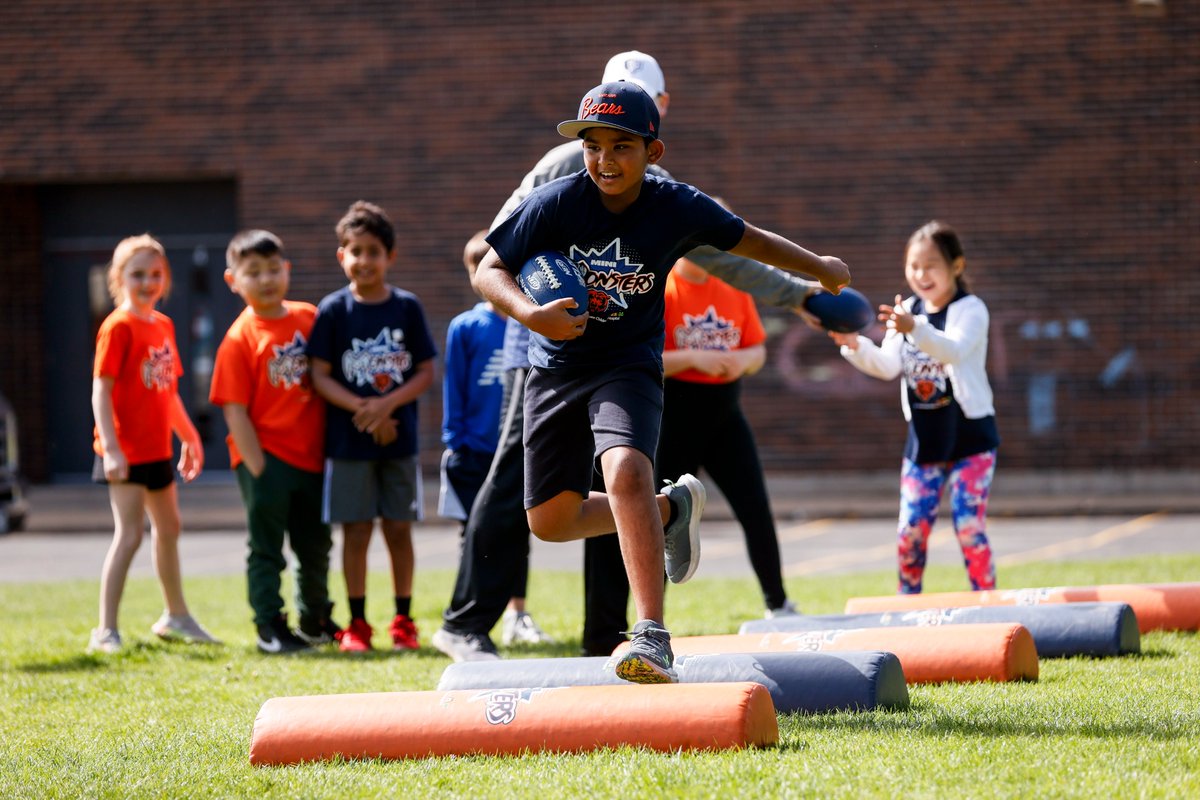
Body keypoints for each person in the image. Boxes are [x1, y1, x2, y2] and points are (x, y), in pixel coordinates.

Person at [432, 51, 826, 664]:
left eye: (621, 146)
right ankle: (672, 508)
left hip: (628, 365)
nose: (605, 159)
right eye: (594, 145)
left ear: (652, 151)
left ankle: (650, 634)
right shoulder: (557, 199)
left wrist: (818, 272)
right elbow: (489, 265)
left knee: (624, 471)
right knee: (550, 521)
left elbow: (746, 239)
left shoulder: (674, 204)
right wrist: (530, 314)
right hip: (555, 368)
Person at [829, 220, 998, 595]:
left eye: (931, 265)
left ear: (957, 266)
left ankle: (989, 602)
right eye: (913, 266)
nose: (921, 274)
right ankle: (909, 605)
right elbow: (889, 366)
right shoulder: (907, 311)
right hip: (925, 442)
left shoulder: (971, 309)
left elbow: (952, 349)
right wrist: (855, 346)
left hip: (972, 439)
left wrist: (914, 327)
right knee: (910, 533)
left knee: (969, 527)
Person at [306, 201, 437, 652]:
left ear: (390, 256)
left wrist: (387, 407)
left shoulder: (406, 307)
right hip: (348, 444)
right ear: (341, 255)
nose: (364, 260)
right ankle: (357, 624)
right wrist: (364, 408)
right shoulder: (333, 311)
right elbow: (319, 374)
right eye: (354, 251)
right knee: (356, 531)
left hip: (397, 441)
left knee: (398, 529)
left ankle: (403, 620)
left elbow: (424, 371)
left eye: (373, 251)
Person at [209, 229, 340, 655]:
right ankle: (270, 625)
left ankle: (315, 618)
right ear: (234, 280)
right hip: (266, 459)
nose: (265, 280)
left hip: (313, 456)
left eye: (272, 269)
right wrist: (256, 464)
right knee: (267, 549)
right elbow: (233, 407)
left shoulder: (309, 317)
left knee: (315, 544)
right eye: (253, 272)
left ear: (286, 270)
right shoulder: (239, 337)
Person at [88, 234, 220, 654]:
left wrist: (190, 434)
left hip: (157, 450)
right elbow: (101, 391)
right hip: (124, 453)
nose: (147, 282)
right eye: (138, 274)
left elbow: (168, 391)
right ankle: (105, 630)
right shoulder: (118, 327)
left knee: (170, 528)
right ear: (119, 278)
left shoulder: (163, 325)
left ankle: (176, 617)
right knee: (129, 535)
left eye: (156, 274)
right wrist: (111, 448)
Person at [656, 247, 798, 618]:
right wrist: (692, 358)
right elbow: (645, 359)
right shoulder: (664, 287)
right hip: (675, 419)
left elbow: (757, 351)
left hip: (725, 418)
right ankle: (650, 617)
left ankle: (778, 604)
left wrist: (742, 361)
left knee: (755, 510)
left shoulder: (733, 287)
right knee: (660, 518)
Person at [437, 230, 553, 645]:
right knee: (475, 529)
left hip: (511, 446)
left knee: (517, 529)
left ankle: (516, 613)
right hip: (474, 449)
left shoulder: (528, 319)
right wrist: (457, 438)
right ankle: (470, 608)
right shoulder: (465, 326)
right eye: (474, 266)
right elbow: (455, 384)